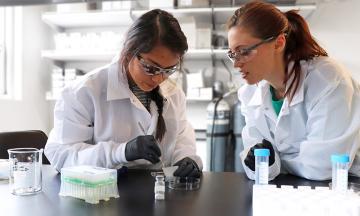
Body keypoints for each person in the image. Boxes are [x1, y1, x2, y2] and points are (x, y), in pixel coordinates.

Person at [45, 9, 202, 178]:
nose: (159, 79)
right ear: (129, 54)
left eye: (168, 70)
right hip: (101, 196)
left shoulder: (173, 93)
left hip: (158, 193)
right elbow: (62, 156)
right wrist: (121, 152)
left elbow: (181, 135)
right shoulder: (83, 92)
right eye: (150, 68)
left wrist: (186, 158)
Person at [227, 1, 360, 180]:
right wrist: (261, 163)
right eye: (232, 54)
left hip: (346, 185)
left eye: (244, 51)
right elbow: (257, 164)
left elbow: (322, 166)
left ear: (278, 43)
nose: (236, 63)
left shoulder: (327, 80)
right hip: (288, 187)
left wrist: (277, 162)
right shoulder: (250, 93)